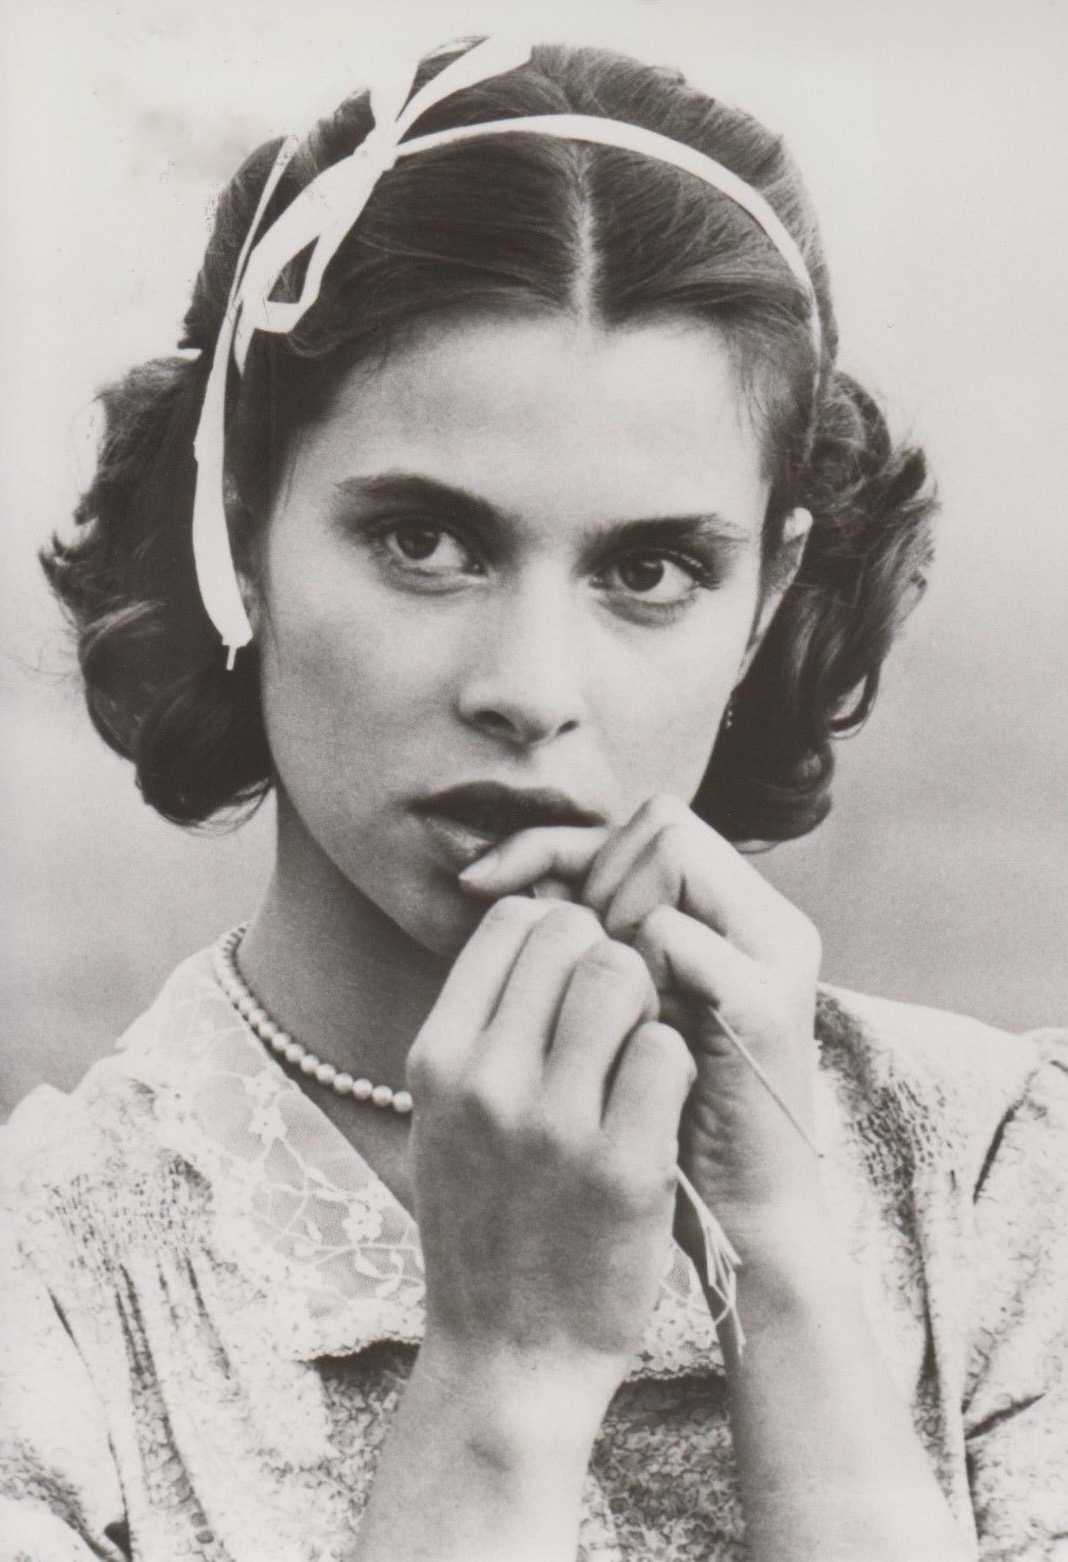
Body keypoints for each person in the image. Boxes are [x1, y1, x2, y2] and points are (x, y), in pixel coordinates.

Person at [1, 34, 1064, 1562]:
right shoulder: (49, 1297)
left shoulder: (1004, 1175)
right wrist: (501, 1383)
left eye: (652, 567)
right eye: (426, 542)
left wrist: (789, 1274)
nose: (532, 685)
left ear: (765, 597)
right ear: (238, 530)